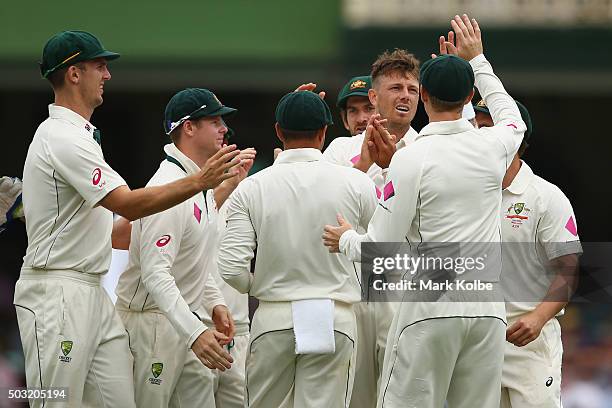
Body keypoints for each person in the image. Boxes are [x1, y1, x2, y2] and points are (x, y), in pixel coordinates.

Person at [16, 31, 241, 407]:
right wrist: (200, 182)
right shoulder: (61, 136)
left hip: (94, 292)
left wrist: (209, 192)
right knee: (54, 402)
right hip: (56, 291)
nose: (107, 75)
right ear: (74, 74)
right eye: (100, 66)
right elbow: (129, 205)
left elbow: (123, 230)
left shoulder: (82, 137)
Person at [323, 14, 527, 407]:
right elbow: (510, 115)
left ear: (424, 98)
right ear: (469, 99)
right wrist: (477, 61)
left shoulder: (411, 158)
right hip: (487, 311)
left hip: (430, 306)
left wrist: (346, 238)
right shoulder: (496, 145)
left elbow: (380, 244)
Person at [218, 90, 379, 407]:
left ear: (278, 131)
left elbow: (231, 269)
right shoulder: (358, 183)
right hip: (334, 315)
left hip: (274, 315)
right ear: (323, 133)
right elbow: (379, 250)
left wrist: (264, 285)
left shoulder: (251, 186)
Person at [114, 88, 255, 407]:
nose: (224, 129)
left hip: (186, 322)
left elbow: (193, 259)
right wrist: (195, 332)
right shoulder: (168, 187)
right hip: (150, 325)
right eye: (215, 121)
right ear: (188, 127)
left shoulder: (201, 187)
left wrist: (216, 303)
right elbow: (156, 274)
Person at [323, 52, 420, 408]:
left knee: (406, 395)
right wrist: (363, 163)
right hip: (353, 290)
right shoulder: (339, 150)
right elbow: (325, 212)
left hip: (408, 290)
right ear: (377, 97)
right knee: (356, 397)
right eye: (396, 87)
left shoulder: (428, 148)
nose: (405, 95)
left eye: (412, 88)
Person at [474, 99, 582, 408]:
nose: (483, 138)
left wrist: (538, 317)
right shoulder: (466, 192)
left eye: (490, 129)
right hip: (476, 340)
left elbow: (568, 268)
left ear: (517, 140)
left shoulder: (546, 196)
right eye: (478, 128)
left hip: (528, 340)